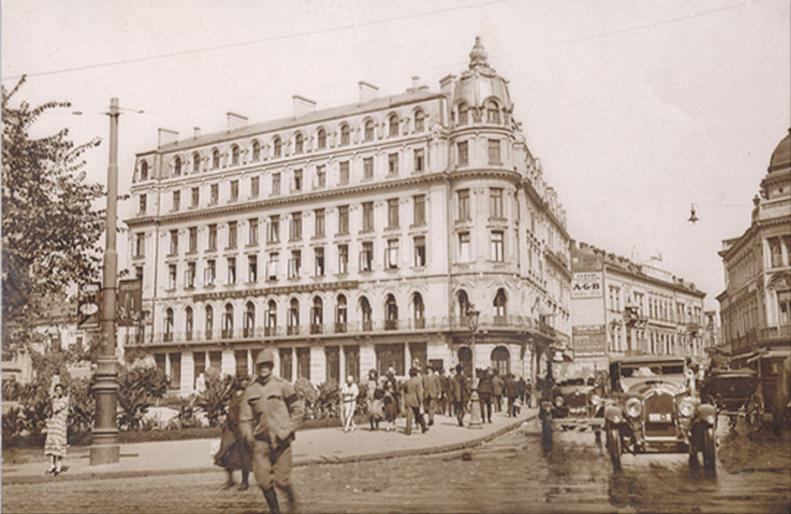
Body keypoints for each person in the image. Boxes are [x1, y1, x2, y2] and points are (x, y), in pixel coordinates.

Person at [240, 349, 304, 514]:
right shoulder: (250, 391)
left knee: (282, 480)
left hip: (281, 441)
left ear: (272, 366)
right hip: (260, 442)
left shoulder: (283, 386)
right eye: (260, 365)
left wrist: (287, 429)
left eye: (267, 365)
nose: (263, 368)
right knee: (263, 481)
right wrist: (247, 435)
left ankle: (291, 500)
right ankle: (275, 511)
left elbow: (298, 410)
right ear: (256, 367)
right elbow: (244, 419)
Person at [214, 375, 252, 490]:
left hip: (242, 427)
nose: (244, 383)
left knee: (244, 455)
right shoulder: (233, 394)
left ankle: (245, 482)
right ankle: (230, 479)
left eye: (246, 380)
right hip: (230, 429)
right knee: (225, 452)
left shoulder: (249, 395)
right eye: (242, 380)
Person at [44, 383, 69, 476]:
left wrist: (55, 400)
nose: (58, 392)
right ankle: (52, 466)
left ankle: (58, 467)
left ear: (62, 391)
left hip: (60, 425)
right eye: (57, 390)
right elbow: (50, 411)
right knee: (51, 445)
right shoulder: (54, 400)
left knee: (59, 445)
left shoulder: (64, 400)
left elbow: (55, 409)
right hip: (53, 425)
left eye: (60, 390)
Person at [402, 367, 428, 435]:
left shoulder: (407, 381)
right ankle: (424, 427)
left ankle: (408, 430)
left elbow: (404, 391)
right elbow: (419, 393)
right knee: (419, 414)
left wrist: (405, 399)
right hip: (416, 400)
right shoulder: (418, 382)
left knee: (409, 416)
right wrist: (421, 402)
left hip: (408, 400)